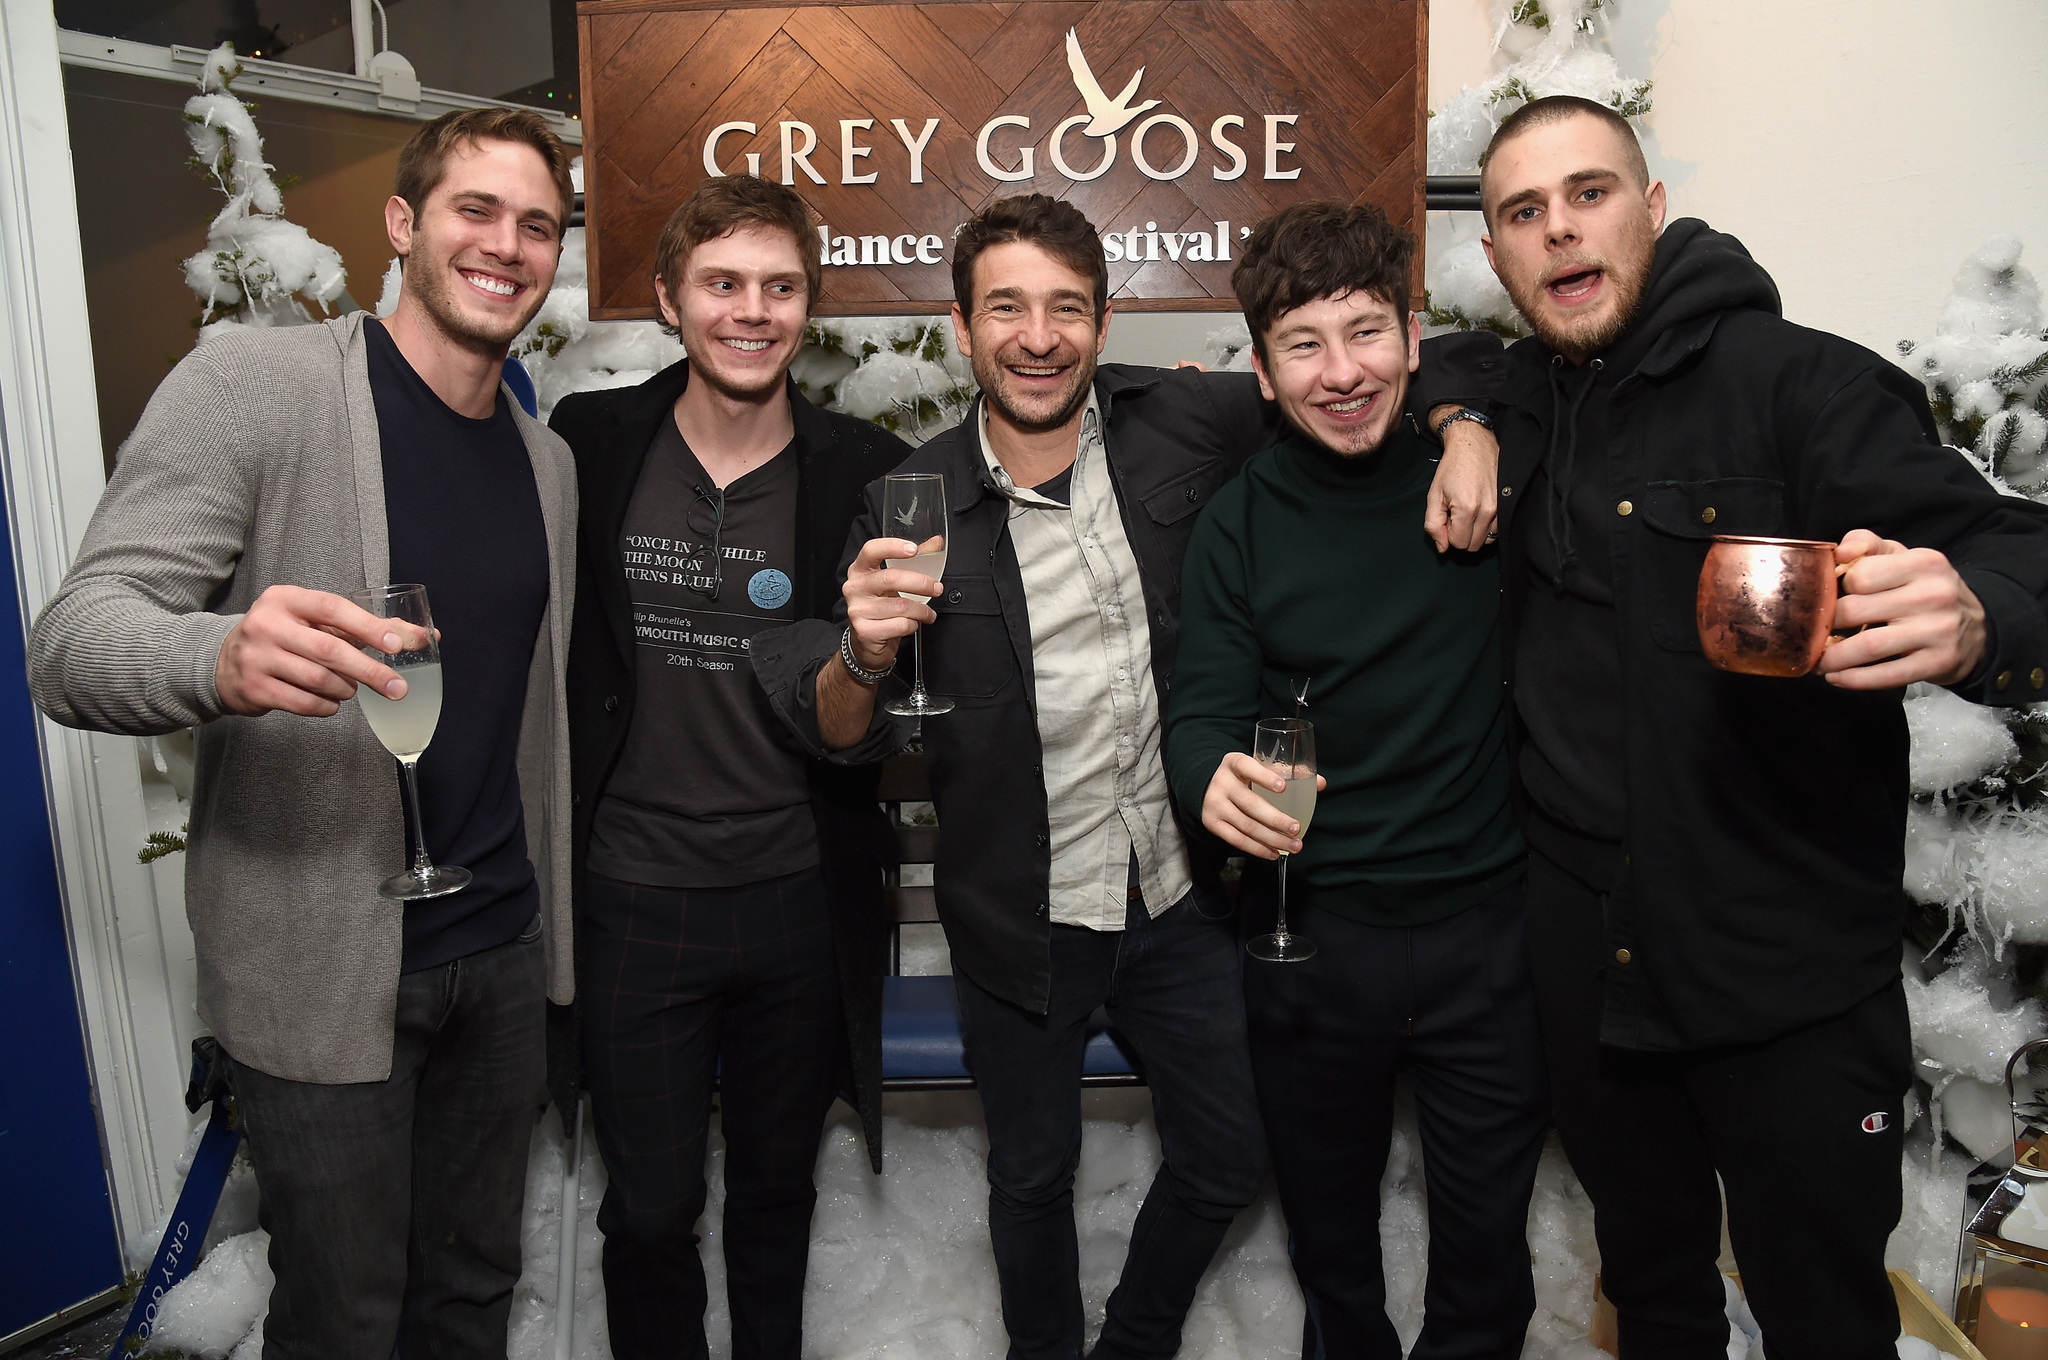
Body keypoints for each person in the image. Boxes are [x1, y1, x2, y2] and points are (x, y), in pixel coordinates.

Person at [760, 193, 1499, 1360]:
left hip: (1180, 898)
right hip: (1018, 913)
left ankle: (1136, 1340)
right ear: (962, 328)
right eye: (1005, 307)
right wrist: (863, 649)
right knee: (1030, 1177)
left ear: (1103, 325)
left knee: (1230, 1153)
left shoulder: (1188, 423)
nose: (1036, 336)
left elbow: (1349, 357)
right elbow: (835, 722)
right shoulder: (911, 500)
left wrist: (1464, 422)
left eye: (1065, 308)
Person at [1414, 95, 2048, 1356]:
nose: (1557, 231)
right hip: (1590, 965)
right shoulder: (1523, 398)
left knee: (1819, 1312)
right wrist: (1459, 417)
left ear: (1651, 210)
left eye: (1587, 193)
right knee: (1651, 1291)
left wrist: (1976, 615)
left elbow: (2013, 544)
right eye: (1521, 213)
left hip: (1785, 968)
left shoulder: (1801, 385)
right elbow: (1446, 364)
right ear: (1495, 257)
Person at [28, 108, 577, 1355]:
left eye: (535, 223)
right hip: (317, 965)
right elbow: (71, 640)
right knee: (343, 1318)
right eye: (473, 211)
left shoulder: (547, 467)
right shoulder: (256, 388)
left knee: (471, 1295)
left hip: (496, 955)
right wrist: (211, 653)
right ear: (402, 223)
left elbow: (532, 721)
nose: (506, 245)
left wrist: (552, 952)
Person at [1164, 200, 1543, 1360]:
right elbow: (1202, 710)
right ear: (1263, 376)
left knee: (1487, 1256)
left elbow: (1541, 368)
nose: (1342, 373)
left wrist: (1470, 420)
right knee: (1332, 1247)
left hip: (1489, 936)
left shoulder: (1482, 480)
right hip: (1312, 940)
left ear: (1411, 338)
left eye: (1365, 332)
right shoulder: (1237, 524)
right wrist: (1208, 780)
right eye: (1303, 346)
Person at [546, 175, 911, 1360]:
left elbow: (851, 729)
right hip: (634, 896)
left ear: (807, 305)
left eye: (779, 286)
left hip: (798, 897)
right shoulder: (589, 445)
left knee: (774, 1196)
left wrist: (860, 654)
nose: (750, 311)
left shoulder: (862, 467)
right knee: (648, 1209)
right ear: (666, 299)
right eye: (721, 283)